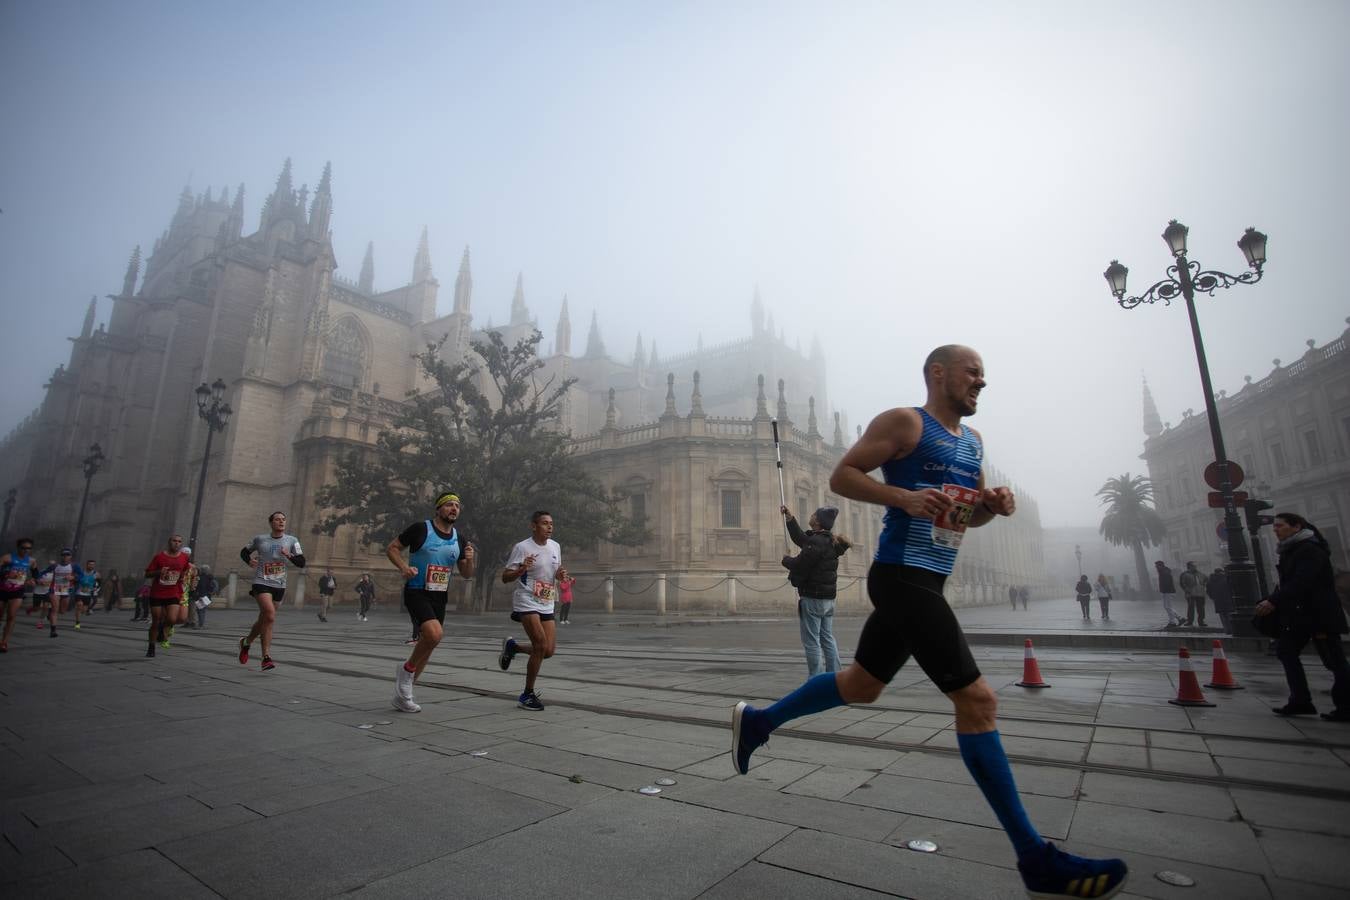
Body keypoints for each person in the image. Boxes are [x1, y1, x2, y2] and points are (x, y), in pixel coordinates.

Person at [729, 345, 1127, 899]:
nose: (981, 381)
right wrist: (903, 496)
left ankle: (759, 723)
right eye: (972, 372)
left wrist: (993, 505)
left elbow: (967, 517)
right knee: (979, 701)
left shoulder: (973, 442)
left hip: (931, 575)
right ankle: (1034, 857)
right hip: (901, 575)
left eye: (984, 374)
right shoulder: (904, 422)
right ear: (938, 374)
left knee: (861, 686)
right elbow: (844, 476)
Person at [386, 492, 476, 713]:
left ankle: (403, 696)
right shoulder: (420, 529)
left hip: (439, 595)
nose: (454, 508)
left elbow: (466, 573)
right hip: (417, 591)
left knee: (430, 643)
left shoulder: (459, 538)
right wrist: (404, 568)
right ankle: (406, 670)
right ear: (438, 509)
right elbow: (392, 548)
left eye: (457, 505)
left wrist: (470, 558)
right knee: (434, 635)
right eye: (448, 505)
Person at [1255, 513, 1350, 721]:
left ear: (1296, 527)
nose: (1275, 530)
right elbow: (1289, 582)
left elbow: (1302, 581)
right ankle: (1300, 700)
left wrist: (1273, 601)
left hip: (1319, 615)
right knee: (1285, 651)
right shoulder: (1292, 550)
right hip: (1300, 615)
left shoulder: (1310, 550)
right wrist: (1275, 598)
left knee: (1334, 661)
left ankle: (1345, 705)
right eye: (1274, 527)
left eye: (1280, 526)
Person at [498, 510, 567, 711]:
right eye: (545, 523)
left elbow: (554, 572)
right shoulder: (522, 547)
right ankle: (526, 694)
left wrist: (561, 574)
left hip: (546, 601)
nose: (550, 527)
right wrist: (521, 570)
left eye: (551, 523)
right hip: (526, 600)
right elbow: (505, 577)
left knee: (548, 651)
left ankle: (513, 647)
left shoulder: (556, 546)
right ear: (534, 526)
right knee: (539, 645)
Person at [781, 504, 850, 675]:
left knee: (812, 641)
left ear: (818, 521)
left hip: (814, 597)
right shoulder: (826, 540)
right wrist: (790, 519)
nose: (811, 516)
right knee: (827, 638)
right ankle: (834, 675)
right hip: (828, 599)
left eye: (813, 514)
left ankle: (815, 679)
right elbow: (801, 539)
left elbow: (801, 564)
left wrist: (786, 560)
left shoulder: (816, 542)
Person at [238, 511, 306, 672]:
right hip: (261, 582)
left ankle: (246, 642)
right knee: (269, 615)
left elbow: (301, 562)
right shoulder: (260, 539)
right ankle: (266, 657)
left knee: (266, 619)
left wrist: (288, 554)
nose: (281, 522)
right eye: (277, 519)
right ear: (271, 523)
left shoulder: (292, 540)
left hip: (279, 585)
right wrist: (250, 561)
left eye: (283, 519)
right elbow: (244, 552)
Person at [143, 534, 192, 657]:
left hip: (174, 592)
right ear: (169, 542)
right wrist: (159, 572)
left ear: (181, 544)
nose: (176, 543)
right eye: (174, 541)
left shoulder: (184, 558)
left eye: (179, 541)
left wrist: (182, 578)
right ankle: (151, 646)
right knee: (155, 621)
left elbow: (185, 570)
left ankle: (163, 628)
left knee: (172, 619)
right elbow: (147, 574)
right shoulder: (159, 557)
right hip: (158, 593)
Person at [0, 537, 37, 652]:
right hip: (2, 589)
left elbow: (36, 573)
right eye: (23, 548)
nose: (26, 550)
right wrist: (6, 574)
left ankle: (4, 642)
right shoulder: (7, 558)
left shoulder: (31, 561)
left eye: (29, 548)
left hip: (17, 591)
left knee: (11, 616)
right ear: (18, 547)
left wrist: (33, 580)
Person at [47, 549, 80, 638]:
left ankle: (50, 611)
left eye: (67, 555)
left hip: (66, 590)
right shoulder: (55, 566)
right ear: (61, 556)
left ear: (70, 556)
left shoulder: (74, 566)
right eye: (64, 555)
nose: (65, 557)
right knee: (55, 610)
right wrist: (37, 579)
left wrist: (73, 577)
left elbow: (81, 576)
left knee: (62, 611)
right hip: (54, 589)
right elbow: (43, 572)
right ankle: (53, 631)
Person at [1178, 561, 1208, 627]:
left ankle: (1201, 621)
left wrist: (1204, 587)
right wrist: (1187, 590)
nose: (1195, 567)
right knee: (1191, 608)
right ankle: (1190, 621)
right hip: (1190, 594)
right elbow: (1182, 584)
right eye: (1193, 566)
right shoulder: (1184, 574)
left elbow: (1206, 580)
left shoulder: (1200, 574)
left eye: (1195, 566)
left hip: (1200, 593)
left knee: (1201, 608)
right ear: (1189, 566)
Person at [1155, 560, 1183, 627]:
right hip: (1167, 591)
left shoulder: (1164, 572)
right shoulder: (1164, 571)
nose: (1156, 567)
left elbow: (1166, 582)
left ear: (1160, 566)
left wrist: (1164, 590)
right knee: (1168, 607)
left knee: (1167, 606)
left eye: (1157, 566)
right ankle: (1180, 618)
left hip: (1167, 591)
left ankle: (1172, 622)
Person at [72, 558, 99, 629]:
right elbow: (75, 580)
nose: (91, 566)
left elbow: (99, 584)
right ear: (86, 565)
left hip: (88, 594)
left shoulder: (96, 574)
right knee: (79, 605)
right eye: (90, 564)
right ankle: (77, 623)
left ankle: (84, 611)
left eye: (93, 565)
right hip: (79, 592)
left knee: (83, 610)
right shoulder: (81, 573)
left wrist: (95, 589)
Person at [1207, 567, 1232, 633]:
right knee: (1228, 614)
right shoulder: (1226, 578)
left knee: (1222, 615)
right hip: (1227, 599)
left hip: (1217, 600)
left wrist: (1213, 597)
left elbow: (1208, 591)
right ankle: (1231, 629)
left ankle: (1226, 629)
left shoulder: (1211, 580)